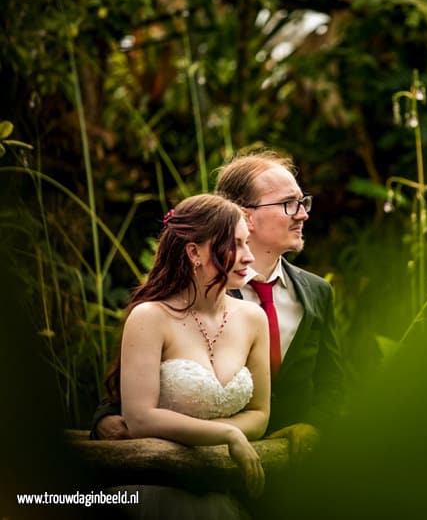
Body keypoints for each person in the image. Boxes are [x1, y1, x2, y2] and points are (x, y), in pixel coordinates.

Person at [94, 150, 343, 462]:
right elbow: (133, 388)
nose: (303, 214)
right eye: (288, 204)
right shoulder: (190, 299)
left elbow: (330, 382)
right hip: (197, 463)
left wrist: (314, 426)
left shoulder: (317, 292)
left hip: (289, 466)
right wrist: (104, 419)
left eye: (302, 202)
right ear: (245, 215)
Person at [104, 194, 270, 516]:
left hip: (217, 496)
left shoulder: (253, 319)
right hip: (152, 494)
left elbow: (261, 414)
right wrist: (227, 433)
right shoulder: (150, 317)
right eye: (235, 244)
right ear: (194, 252)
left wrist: (231, 436)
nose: (249, 257)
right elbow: (139, 418)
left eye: (248, 243)